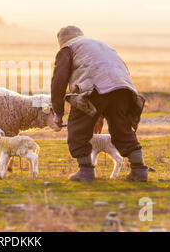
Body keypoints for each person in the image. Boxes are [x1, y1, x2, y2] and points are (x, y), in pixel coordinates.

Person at [51, 25, 148, 182]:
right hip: (123, 88)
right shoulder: (101, 45)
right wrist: (102, 112)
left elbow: (58, 82)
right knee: (122, 127)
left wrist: (58, 113)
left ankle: (86, 171)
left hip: (92, 89)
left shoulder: (68, 48)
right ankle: (139, 170)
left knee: (77, 128)